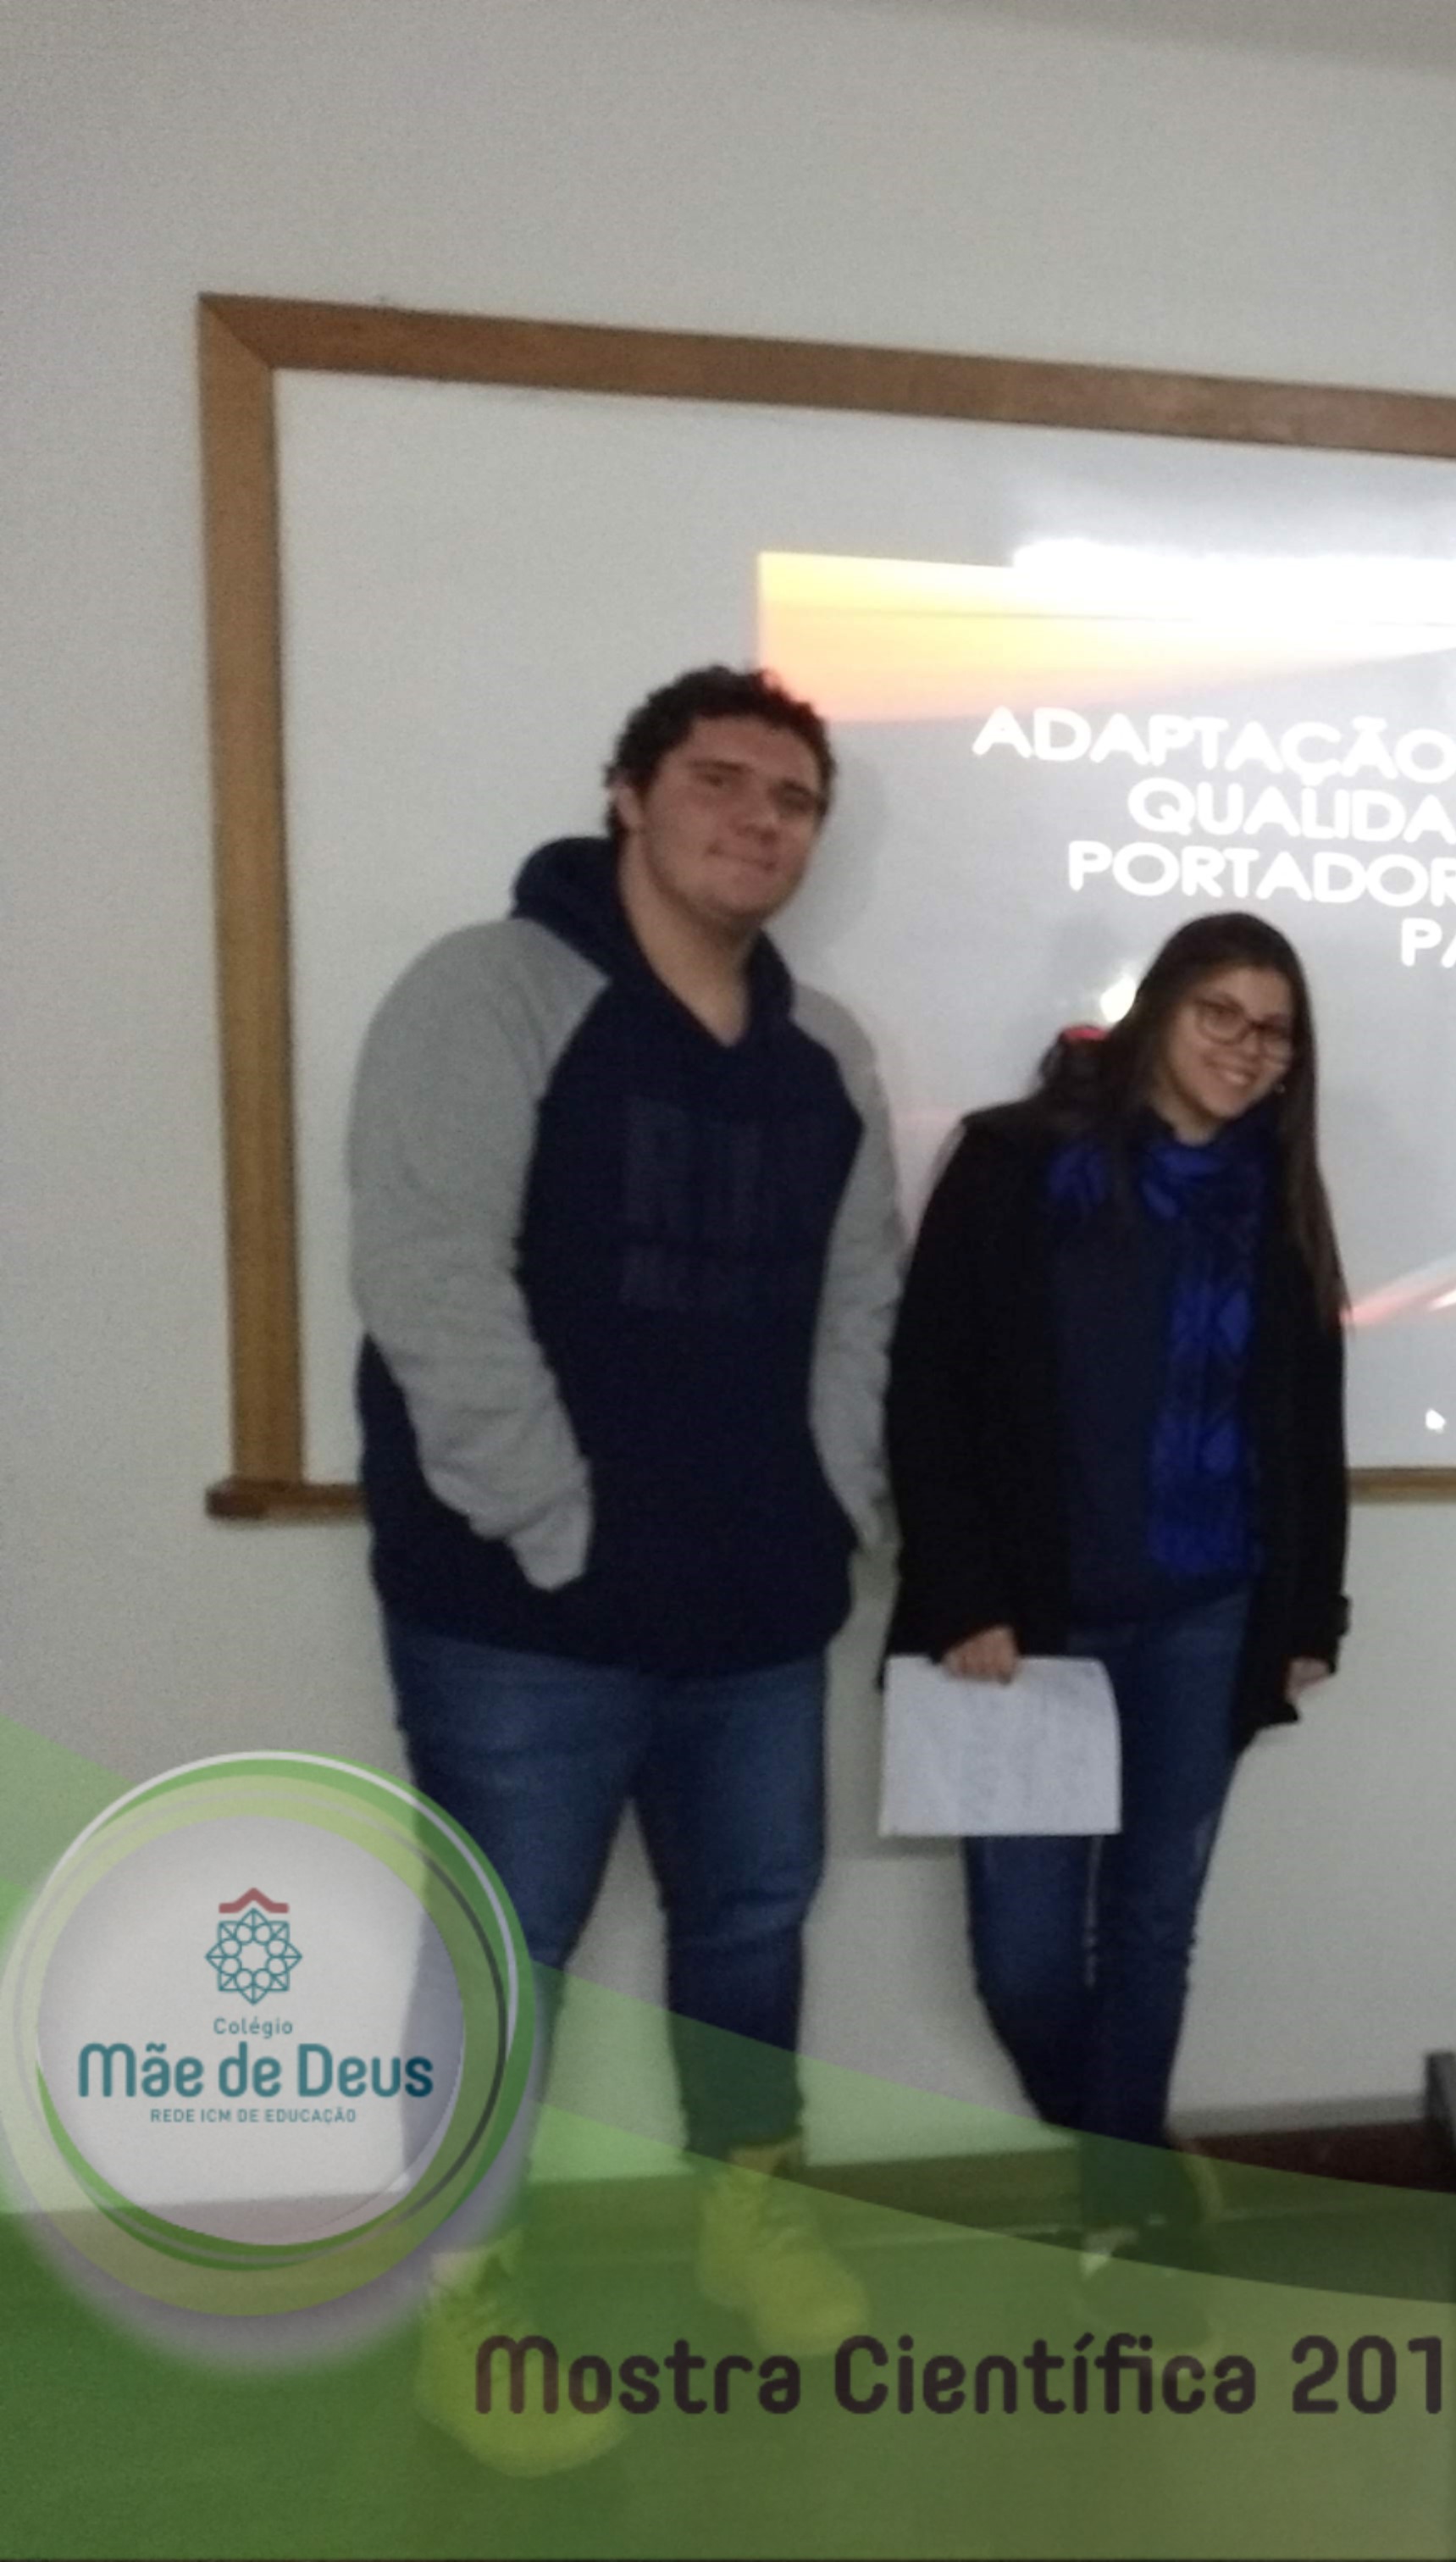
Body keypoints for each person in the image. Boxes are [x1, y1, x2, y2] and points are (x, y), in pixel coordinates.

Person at [351, 665, 899, 2464]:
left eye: (793, 798)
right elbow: (429, 1275)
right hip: (523, 1612)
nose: (760, 819)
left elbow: (863, 1302)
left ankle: (751, 2221)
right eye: (721, 780)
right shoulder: (489, 991)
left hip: (759, 1602)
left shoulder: (827, 1054)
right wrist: (557, 1523)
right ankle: (464, 2307)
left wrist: (832, 1502)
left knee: (751, 1926)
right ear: (629, 795)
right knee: (504, 1952)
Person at [886, 912, 1350, 2259]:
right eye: (1221, 1015)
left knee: (1152, 1927)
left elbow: (1308, 1426)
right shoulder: (1017, 1162)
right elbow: (929, 1391)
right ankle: (1128, 2158)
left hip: (1207, 1620)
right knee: (1023, 1963)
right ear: (1160, 1012)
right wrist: (963, 1593)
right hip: (1028, 1631)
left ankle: (1123, 2218)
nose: (1247, 1049)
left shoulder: (1278, 1202)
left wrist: (1308, 1613)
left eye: (1275, 1032)